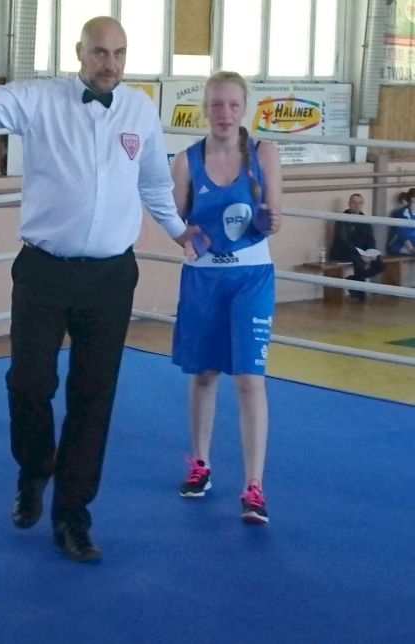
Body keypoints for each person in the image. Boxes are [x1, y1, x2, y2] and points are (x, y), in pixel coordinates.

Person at [0, 16, 196, 562]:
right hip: (44, 272)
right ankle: (35, 468)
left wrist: (179, 231)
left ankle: (73, 515)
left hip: (111, 278)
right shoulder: (39, 99)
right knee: (28, 383)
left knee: (94, 397)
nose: (110, 63)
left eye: (119, 53)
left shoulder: (139, 110)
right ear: (78, 52)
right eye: (100, 52)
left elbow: (154, 182)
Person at [170, 71, 283, 524]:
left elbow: (277, 216)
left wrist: (268, 221)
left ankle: (255, 486)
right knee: (204, 374)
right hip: (203, 278)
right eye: (217, 104)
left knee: (250, 379)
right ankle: (200, 463)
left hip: (252, 276)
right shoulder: (186, 161)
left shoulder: (264, 154)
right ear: (205, 108)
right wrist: (185, 235)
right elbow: (174, 220)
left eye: (233, 105)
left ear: (245, 108)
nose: (225, 113)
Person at [328, 193, 384, 301]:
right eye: (354, 202)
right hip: (343, 252)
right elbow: (342, 242)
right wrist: (360, 254)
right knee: (358, 261)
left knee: (379, 263)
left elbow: (370, 239)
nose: (357, 205)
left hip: (361, 252)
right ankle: (361, 294)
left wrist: (371, 253)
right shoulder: (342, 219)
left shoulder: (365, 220)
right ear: (349, 203)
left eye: (360, 203)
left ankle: (352, 279)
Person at [386, 187, 415, 256]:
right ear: (412, 199)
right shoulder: (402, 212)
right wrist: (412, 250)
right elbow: (403, 234)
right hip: (399, 244)